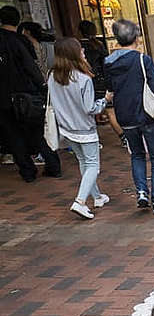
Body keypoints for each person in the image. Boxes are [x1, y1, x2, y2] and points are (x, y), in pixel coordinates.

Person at [104, 19, 154, 213]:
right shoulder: (142, 59)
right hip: (146, 113)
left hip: (124, 115)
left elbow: (110, 88)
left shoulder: (109, 62)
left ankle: (142, 192)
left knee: (137, 155)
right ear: (136, 37)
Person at [47, 38, 111, 219]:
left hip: (67, 129)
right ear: (73, 53)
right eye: (80, 50)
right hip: (84, 129)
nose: (83, 52)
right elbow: (90, 108)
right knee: (92, 166)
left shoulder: (52, 76)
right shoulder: (83, 78)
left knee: (84, 162)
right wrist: (105, 100)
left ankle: (97, 197)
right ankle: (80, 201)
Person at [0, 5, 61, 181]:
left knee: (13, 135)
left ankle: (27, 171)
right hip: (26, 95)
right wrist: (43, 88)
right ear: (17, 20)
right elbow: (31, 67)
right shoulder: (21, 40)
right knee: (37, 131)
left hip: (3, 98)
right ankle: (53, 166)